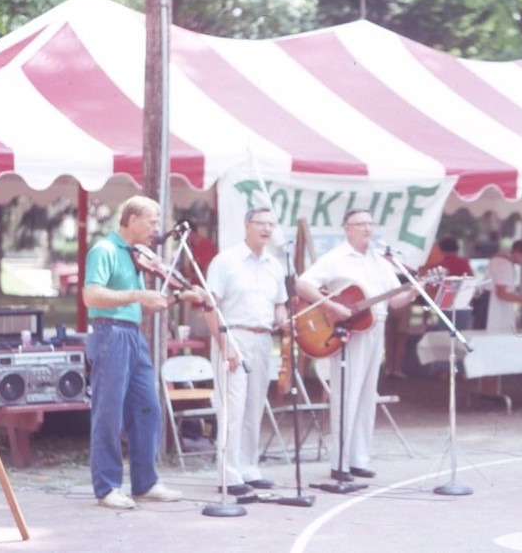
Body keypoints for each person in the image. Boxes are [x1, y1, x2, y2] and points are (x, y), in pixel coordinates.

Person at [83, 195, 207, 509]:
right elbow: (91, 295)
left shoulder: (134, 255)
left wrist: (177, 298)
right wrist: (139, 293)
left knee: (147, 407)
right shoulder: (105, 249)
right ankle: (107, 486)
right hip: (110, 333)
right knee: (108, 412)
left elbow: (136, 306)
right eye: (152, 221)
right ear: (133, 218)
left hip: (132, 335)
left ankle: (145, 481)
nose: (156, 228)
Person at [295, 209, 417, 481]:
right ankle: (339, 462)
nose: (367, 228)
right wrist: (330, 305)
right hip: (349, 331)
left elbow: (393, 301)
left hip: (377, 328)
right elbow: (303, 284)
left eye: (370, 223)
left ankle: (359, 458)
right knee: (346, 395)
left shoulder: (381, 261)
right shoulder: (336, 258)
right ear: (346, 228)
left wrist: (411, 293)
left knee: (366, 396)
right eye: (360, 224)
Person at [203, 207, 289, 496]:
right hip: (233, 335)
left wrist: (282, 318)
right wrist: (225, 344)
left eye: (271, 224)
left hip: (263, 339)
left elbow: (280, 304)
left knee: (255, 405)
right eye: (260, 223)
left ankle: (249, 467)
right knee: (232, 408)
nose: (266, 229)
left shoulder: (275, 265)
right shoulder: (226, 261)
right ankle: (228, 473)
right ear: (246, 225)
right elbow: (210, 306)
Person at [483, 239, 522, 332]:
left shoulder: (499, 260)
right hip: (493, 304)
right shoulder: (505, 264)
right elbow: (501, 293)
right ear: (517, 252)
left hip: (490, 301)